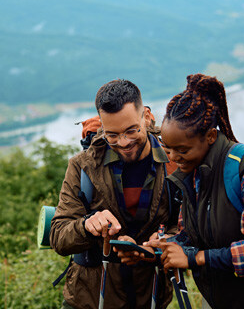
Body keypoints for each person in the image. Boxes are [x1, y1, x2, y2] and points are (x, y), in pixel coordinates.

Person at [146, 73, 244, 309]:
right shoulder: (193, 174)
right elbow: (195, 235)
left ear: (211, 136)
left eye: (181, 149)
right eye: (168, 148)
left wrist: (196, 258)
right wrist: (168, 245)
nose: (173, 158)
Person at [50, 79, 179, 309]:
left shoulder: (174, 164)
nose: (123, 142)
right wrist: (87, 225)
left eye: (132, 130)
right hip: (88, 300)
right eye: (112, 135)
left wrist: (160, 247)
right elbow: (59, 236)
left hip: (150, 297)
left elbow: (190, 228)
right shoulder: (83, 166)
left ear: (145, 117)